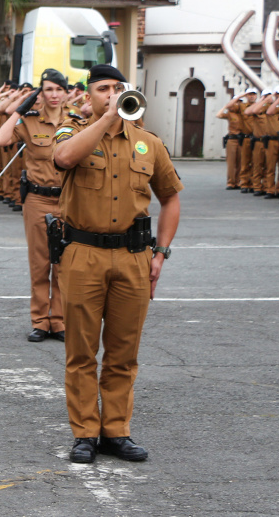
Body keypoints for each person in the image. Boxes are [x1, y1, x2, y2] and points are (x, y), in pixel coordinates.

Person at [52, 64, 182, 464]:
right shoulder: (70, 133)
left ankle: (116, 431)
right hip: (82, 254)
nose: (111, 94)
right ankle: (85, 433)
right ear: (88, 95)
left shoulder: (148, 143)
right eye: (103, 89)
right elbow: (63, 158)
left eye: (118, 88)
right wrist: (107, 118)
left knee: (124, 352)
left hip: (133, 257)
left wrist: (160, 253)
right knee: (81, 351)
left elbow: (171, 197)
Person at [0, 69, 79, 343]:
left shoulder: (78, 121)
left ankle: (59, 321)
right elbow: (1, 139)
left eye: (58, 89)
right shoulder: (30, 121)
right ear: (40, 93)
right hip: (38, 199)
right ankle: (40, 322)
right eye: (47, 90)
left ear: (66, 92)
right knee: (40, 262)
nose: (53, 95)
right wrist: (20, 109)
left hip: (69, 199)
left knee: (64, 263)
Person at [216, 93, 245, 190]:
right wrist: (225, 106)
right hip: (232, 139)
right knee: (231, 162)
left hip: (242, 139)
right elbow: (218, 115)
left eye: (239, 102)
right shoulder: (230, 113)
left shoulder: (244, 113)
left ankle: (239, 181)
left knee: (241, 162)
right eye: (236, 102)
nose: (237, 104)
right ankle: (231, 182)